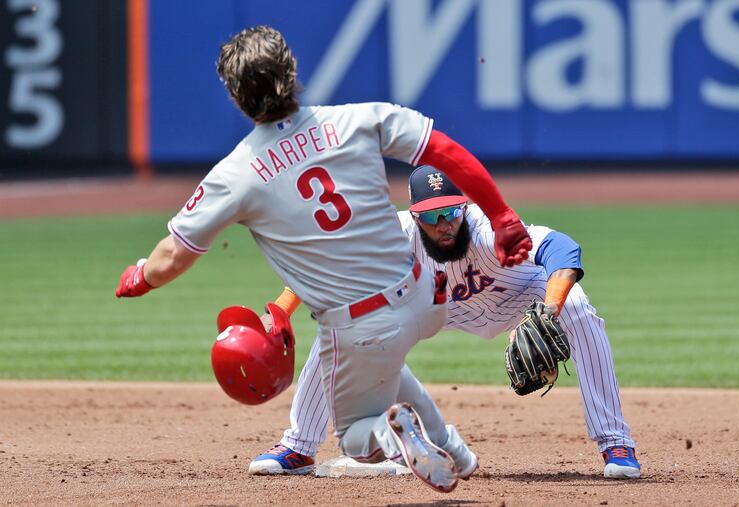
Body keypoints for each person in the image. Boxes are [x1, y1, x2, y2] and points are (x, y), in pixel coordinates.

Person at [114, 26, 533, 493]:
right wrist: (502, 217)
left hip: (360, 327)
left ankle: (390, 439)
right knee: (386, 369)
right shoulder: (361, 118)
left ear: (236, 96)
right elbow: (446, 153)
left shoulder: (235, 173)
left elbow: (172, 255)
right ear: (292, 74)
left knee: (354, 437)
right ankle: (454, 450)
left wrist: (140, 278)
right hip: (423, 294)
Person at [249, 166, 642, 480]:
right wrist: (280, 312)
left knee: (576, 308)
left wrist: (550, 310)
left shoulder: (490, 231)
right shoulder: (394, 235)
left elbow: (562, 247)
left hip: (520, 298)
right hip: (439, 306)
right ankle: (298, 446)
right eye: (432, 216)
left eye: (452, 211)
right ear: (415, 216)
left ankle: (615, 443)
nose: (445, 224)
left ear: (465, 207)